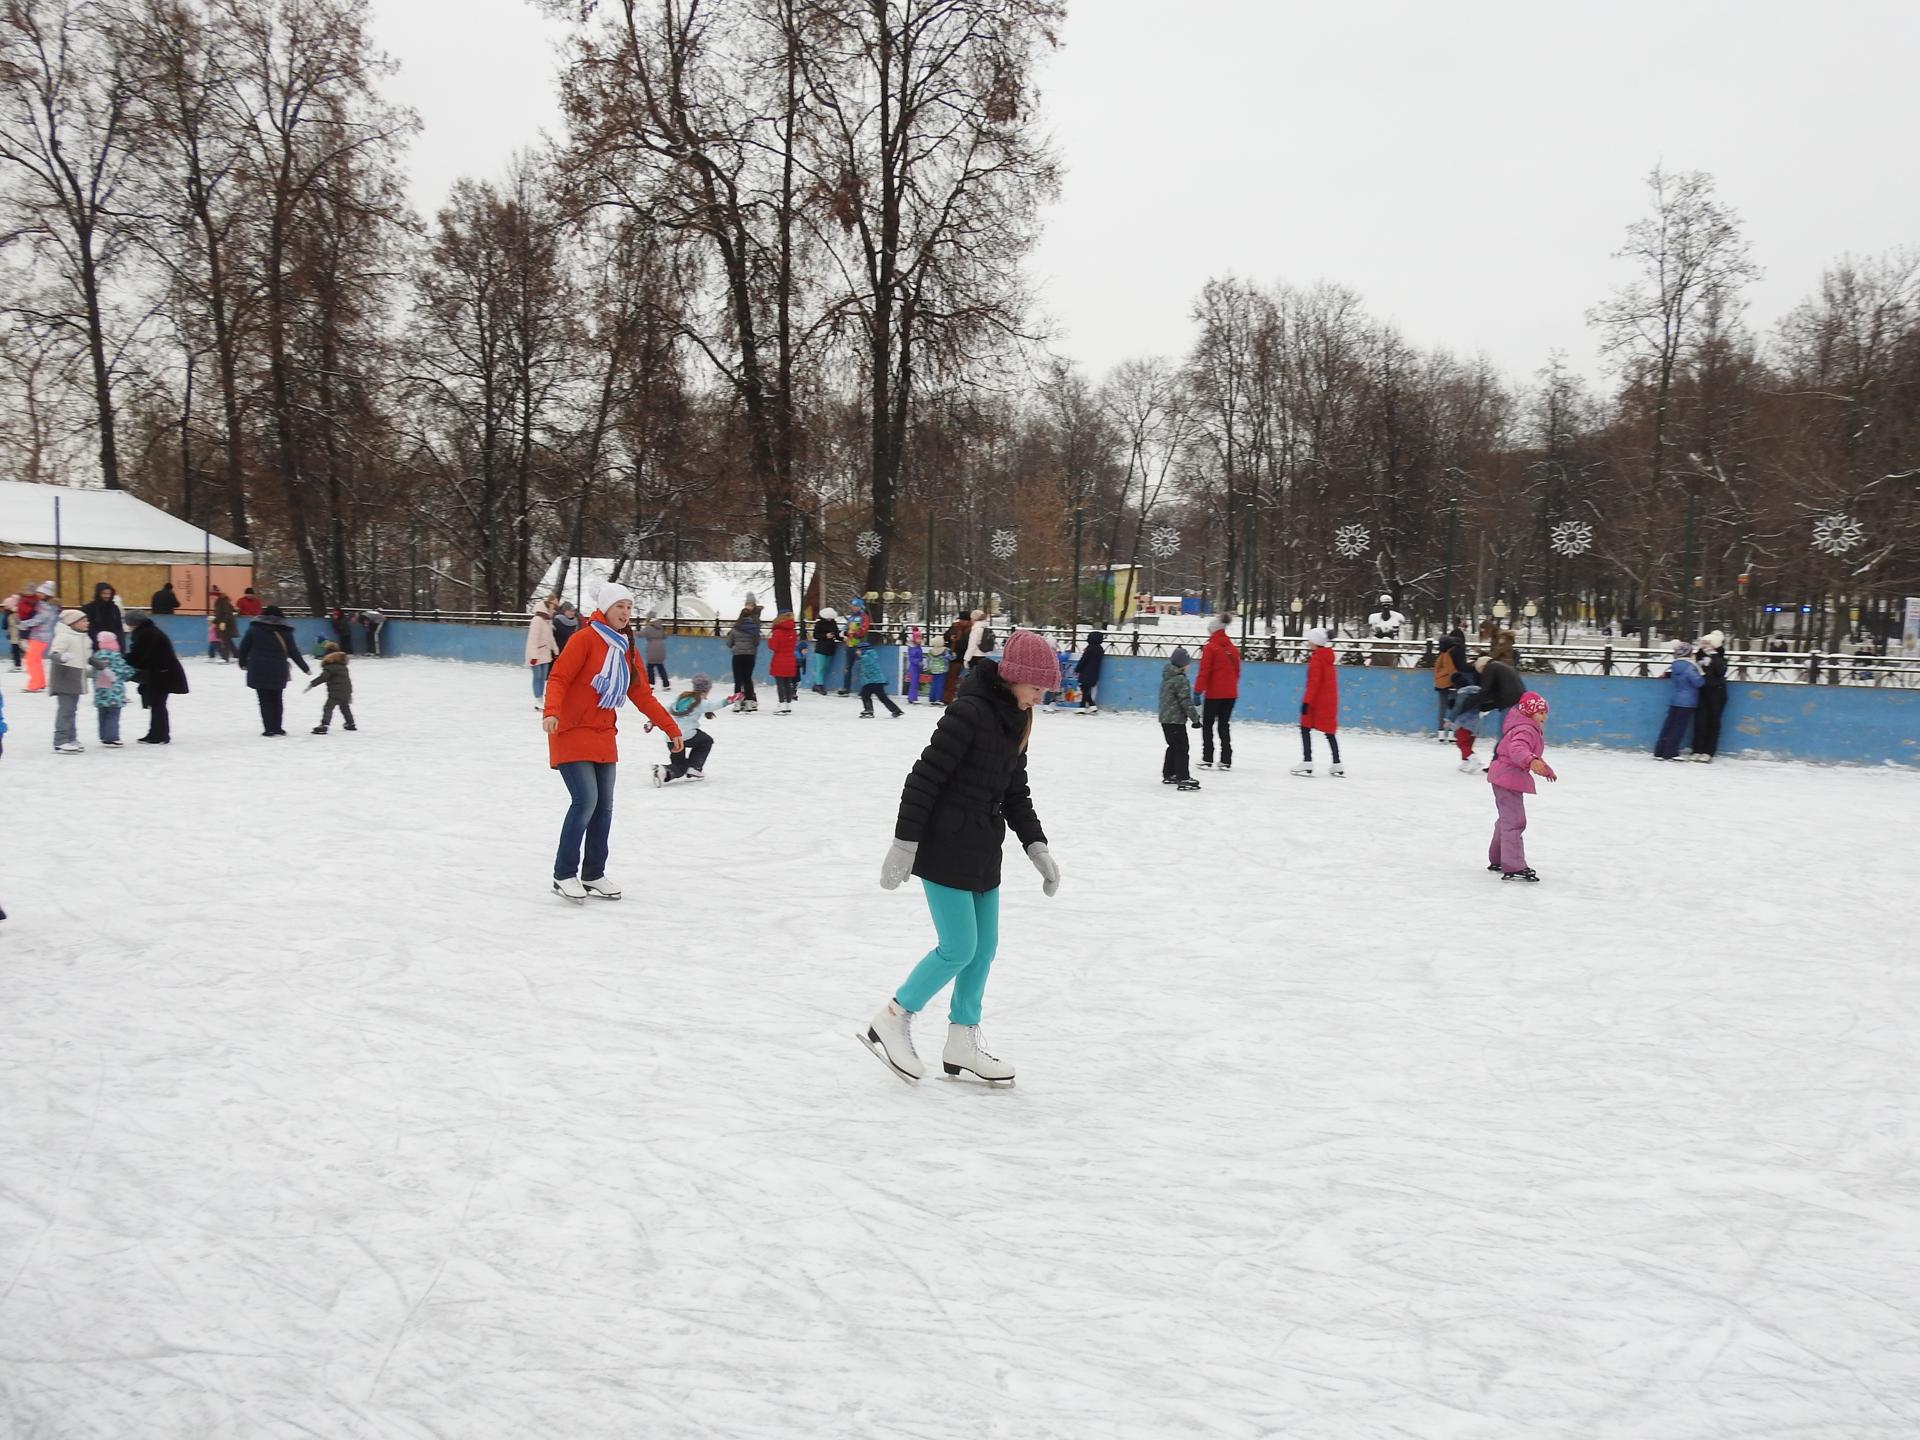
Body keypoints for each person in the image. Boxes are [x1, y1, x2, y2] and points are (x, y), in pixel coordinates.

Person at [861, 629, 1063, 1084]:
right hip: (944, 842)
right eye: (1036, 688)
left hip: (982, 848)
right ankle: (893, 1017)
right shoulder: (968, 712)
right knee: (958, 948)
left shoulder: (1017, 720)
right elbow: (923, 779)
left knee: (983, 950)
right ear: (1014, 677)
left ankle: (961, 1041)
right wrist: (904, 843)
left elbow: (1016, 793)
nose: (1039, 698)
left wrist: (1038, 846)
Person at [543, 583, 682, 900]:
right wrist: (551, 711)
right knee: (585, 802)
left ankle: (593, 874)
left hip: (604, 734)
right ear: (605, 608)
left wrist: (671, 728)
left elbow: (642, 695)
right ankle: (563, 874)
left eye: (630, 607)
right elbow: (559, 677)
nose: (625, 612)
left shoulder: (626, 649)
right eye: (619, 606)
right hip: (570, 730)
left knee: (603, 808)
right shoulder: (585, 640)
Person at [1488, 690, 1556, 882]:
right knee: (1515, 821)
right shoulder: (1525, 729)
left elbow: (1530, 753)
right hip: (1507, 777)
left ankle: (1498, 857)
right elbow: (1518, 750)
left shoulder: (1525, 727)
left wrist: (1544, 767)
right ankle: (1514, 865)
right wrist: (1531, 761)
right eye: (1540, 712)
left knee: (1506, 820)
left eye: (1545, 712)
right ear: (1528, 712)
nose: (1544, 716)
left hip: (1505, 777)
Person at [236, 605, 309, 736]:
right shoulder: (285, 632)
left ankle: (269, 728)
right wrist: (305, 668)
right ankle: (278, 727)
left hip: (258, 669)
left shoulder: (254, 629)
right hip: (278, 669)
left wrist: (242, 663)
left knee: (264, 700)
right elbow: (293, 651)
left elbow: (243, 648)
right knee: (277, 698)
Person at [653, 671, 735, 784]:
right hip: (686, 735)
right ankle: (695, 767)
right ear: (706, 689)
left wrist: (652, 721)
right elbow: (713, 705)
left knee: (680, 766)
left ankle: (663, 771)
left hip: (671, 737)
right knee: (706, 741)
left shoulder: (681, 697)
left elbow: (665, 710)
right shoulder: (700, 701)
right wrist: (728, 701)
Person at [124, 609, 188, 744]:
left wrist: (121, 659)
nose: (128, 626)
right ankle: (156, 733)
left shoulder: (146, 633)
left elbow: (139, 656)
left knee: (158, 704)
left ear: (135, 623)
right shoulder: (147, 631)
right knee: (156, 703)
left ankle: (160, 735)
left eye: (129, 623)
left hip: (162, 673)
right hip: (160, 672)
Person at [1455, 653, 1525, 773]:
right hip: (1521, 702)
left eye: (1480, 673)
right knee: (1509, 735)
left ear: (1482, 667)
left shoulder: (1490, 667)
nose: (1482, 675)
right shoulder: (1501, 667)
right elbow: (1495, 696)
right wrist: (1482, 707)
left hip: (1511, 704)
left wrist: (1467, 704)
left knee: (1504, 735)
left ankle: (1500, 765)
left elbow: (1485, 691)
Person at [1292, 626, 1345, 777]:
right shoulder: (1328, 658)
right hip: (1329, 701)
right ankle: (1337, 763)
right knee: (1329, 732)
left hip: (1316, 702)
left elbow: (1313, 684)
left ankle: (1307, 760)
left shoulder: (1316, 659)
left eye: (1310, 639)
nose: (1308, 642)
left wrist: (1306, 702)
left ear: (1315, 642)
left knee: (1305, 727)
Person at [1194, 614, 1240, 770]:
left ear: (1213, 631)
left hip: (1214, 694)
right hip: (1231, 694)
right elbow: (1237, 672)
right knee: (1224, 725)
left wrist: (1197, 691)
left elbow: (1205, 671)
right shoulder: (1233, 648)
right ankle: (1226, 759)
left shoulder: (1210, 647)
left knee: (1207, 725)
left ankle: (1208, 758)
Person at [1158, 644, 1202, 791]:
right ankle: (1183, 778)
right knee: (1182, 747)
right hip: (1176, 720)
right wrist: (1195, 719)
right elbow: (1186, 702)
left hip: (1165, 719)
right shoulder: (1180, 679)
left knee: (1173, 746)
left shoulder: (1167, 676)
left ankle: (1169, 773)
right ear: (1183, 664)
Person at [48, 608, 91, 753]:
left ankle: (71, 738)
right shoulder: (64, 636)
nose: (87, 623)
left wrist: (101, 665)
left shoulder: (84, 638)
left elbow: (88, 657)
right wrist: (61, 657)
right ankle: (60, 741)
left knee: (72, 710)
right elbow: (53, 654)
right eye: (83, 621)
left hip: (77, 678)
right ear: (73, 623)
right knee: (65, 710)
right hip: (65, 677)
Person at [1654, 639, 1704, 760]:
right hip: (1687, 702)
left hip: (1675, 699)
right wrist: (1702, 674)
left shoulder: (1674, 665)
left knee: (1669, 725)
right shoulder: (1690, 667)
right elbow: (1698, 683)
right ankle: (1671, 752)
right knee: (1679, 727)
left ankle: (1659, 751)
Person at [89, 630, 134, 747]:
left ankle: (103, 736)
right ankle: (112, 737)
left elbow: (92, 673)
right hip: (115, 692)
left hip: (100, 691)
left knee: (102, 714)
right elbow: (123, 670)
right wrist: (131, 672)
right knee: (113, 715)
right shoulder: (115, 656)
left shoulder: (96, 656)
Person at [1690, 630, 1729, 762]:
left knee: (1713, 722)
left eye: (1707, 643)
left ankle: (1708, 752)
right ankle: (1697, 749)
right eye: (1703, 643)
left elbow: (1721, 672)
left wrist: (1713, 658)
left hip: (1717, 693)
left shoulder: (1720, 656)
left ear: (1714, 645)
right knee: (1699, 722)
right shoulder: (1699, 655)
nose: (1704, 645)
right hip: (1702, 692)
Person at [305, 641, 356, 733]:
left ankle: (324, 725)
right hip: (346, 691)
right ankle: (350, 723)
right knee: (344, 707)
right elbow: (347, 681)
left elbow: (323, 677)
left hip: (335, 692)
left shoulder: (330, 667)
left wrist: (312, 684)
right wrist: (350, 693)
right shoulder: (343, 666)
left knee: (328, 707)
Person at [1433, 622, 1469, 739]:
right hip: (1454, 680)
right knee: (1455, 705)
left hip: (1441, 681)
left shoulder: (1444, 648)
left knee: (1442, 706)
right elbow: (1462, 666)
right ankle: (1453, 734)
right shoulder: (1459, 648)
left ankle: (1441, 733)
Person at [725, 600, 762, 712]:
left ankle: (737, 703)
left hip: (738, 656)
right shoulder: (754, 629)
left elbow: (729, 643)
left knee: (738, 679)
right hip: (750, 656)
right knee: (747, 679)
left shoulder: (735, 628)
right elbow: (756, 643)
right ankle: (749, 703)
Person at [20, 582, 56, 691]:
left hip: (41, 637)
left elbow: (38, 620)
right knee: (36, 660)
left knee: (30, 660)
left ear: (46, 595)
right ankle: (40, 682)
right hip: (38, 636)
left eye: (41, 593)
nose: (38, 594)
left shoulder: (45, 607)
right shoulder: (39, 604)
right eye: (38, 592)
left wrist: (23, 624)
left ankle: (34, 685)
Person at [855, 640, 903, 717]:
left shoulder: (868, 656)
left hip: (873, 681)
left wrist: (861, 656)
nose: (857, 652)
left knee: (865, 695)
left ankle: (869, 710)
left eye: (858, 650)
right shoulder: (870, 655)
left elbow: (868, 662)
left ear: (863, 650)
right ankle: (896, 710)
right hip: (876, 681)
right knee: (882, 697)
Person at [526, 597, 558, 712]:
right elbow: (532, 639)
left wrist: (556, 650)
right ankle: (538, 699)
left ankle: (540, 699)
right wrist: (533, 656)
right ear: (546, 608)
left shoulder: (547, 621)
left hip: (545, 654)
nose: (554, 610)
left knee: (543, 678)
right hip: (536, 654)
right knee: (537, 677)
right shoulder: (537, 620)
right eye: (552, 608)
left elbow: (550, 638)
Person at [768, 609, 800, 713]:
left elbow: (773, 647)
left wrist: (770, 639)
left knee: (780, 683)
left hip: (779, 659)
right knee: (787, 683)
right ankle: (788, 704)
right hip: (790, 659)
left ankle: (781, 704)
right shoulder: (793, 632)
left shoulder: (777, 632)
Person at [81, 582, 124, 651]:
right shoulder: (89, 608)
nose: (107, 596)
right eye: (104, 593)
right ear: (98, 594)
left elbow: (119, 627)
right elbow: (86, 627)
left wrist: (121, 645)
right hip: (94, 644)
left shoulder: (114, 608)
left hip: (113, 644)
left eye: (109, 594)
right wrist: (97, 638)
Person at [840, 598, 868, 695]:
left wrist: (851, 633)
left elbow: (863, 630)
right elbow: (846, 627)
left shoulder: (864, 617)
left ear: (860, 606)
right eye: (853, 606)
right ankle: (845, 688)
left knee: (863, 667)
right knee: (848, 667)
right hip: (849, 644)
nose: (853, 608)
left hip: (860, 645)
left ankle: (865, 689)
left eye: (855, 606)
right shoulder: (851, 617)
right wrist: (844, 632)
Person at [941, 612, 971, 702]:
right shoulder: (954, 627)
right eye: (960, 619)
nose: (961, 621)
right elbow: (945, 636)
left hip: (966, 658)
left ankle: (963, 699)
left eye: (963, 620)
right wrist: (950, 637)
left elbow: (969, 643)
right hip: (954, 658)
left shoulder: (972, 629)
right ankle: (947, 698)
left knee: (965, 681)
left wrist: (959, 639)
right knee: (951, 679)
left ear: (968, 620)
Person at [810, 607, 841, 694]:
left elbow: (837, 634)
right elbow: (815, 635)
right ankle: (820, 685)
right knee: (820, 667)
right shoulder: (819, 623)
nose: (830, 619)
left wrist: (842, 638)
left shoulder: (833, 623)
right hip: (821, 647)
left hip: (830, 647)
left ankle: (817, 684)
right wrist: (825, 635)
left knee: (825, 667)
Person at [1076, 629, 1105, 713]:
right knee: (1086, 690)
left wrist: (1078, 668)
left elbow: (1084, 660)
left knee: (1084, 689)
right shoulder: (1100, 649)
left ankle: (1083, 707)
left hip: (1086, 672)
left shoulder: (1090, 649)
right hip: (1094, 673)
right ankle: (1091, 706)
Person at [639, 614, 670, 688]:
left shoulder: (648, 628)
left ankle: (651, 684)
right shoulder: (660, 627)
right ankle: (666, 684)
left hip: (652, 649)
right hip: (661, 649)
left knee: (650, 667)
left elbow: (640, 634)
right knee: (661, 667)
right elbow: (665, 636)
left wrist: (633, 632)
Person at [211, 587, 238, 661]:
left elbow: (226, 613)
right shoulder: (220, 601)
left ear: (216, 595)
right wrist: (215, 621)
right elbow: (219, 614)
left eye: (212, 596)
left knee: (225, 640)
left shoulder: (222, 601)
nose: (211, 597)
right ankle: (237, 655)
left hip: (226, 624)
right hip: (225, 623)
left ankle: (225, 658)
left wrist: (223, 622)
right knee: (228, 640)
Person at [923, 635, 950, 707]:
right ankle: (938, 699)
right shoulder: (946, 650)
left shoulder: (930, 651)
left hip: (933, 669)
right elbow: (951, 657)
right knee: (940, 685)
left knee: (934, 684)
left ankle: (932, 698)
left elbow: (928, 660)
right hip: (942, 669)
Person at [903, 627, 926, 703]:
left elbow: (919, 656)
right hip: (914, 667)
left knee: (915, 683)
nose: (920, 640)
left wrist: (921, 663)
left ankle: (913, 697)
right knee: (913, 683)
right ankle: (912, 698)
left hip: (917, 667)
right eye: (918, 639)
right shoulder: (913, 648)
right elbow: (912, 658)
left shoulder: (918, 647)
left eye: (920, 639)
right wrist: (918, 662)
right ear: (914, 639)